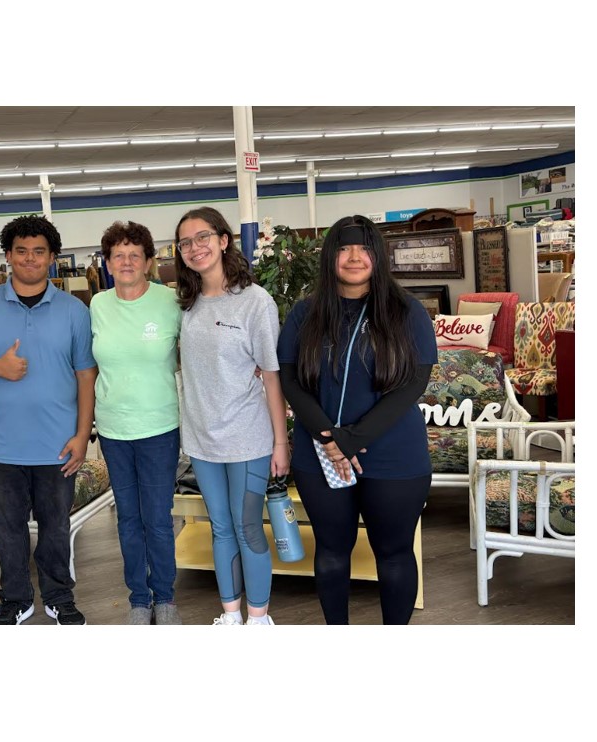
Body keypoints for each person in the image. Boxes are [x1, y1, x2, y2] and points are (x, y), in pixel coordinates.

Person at [276, 215, 437, 625]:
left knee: (395, 552)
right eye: (345, 248)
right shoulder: (305, 313)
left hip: (394, 456)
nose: (354, 257)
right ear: (331, 256)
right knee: (331, 550)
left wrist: (352, 439)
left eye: (364, 248)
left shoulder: (407, 311)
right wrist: (331, 440)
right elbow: (291, 380)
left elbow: (414, 383)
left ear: (378, 256)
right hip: (320, 455)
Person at [0, 214, 97, 625]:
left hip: (57, 443)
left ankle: (58, 596)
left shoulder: (74, 310)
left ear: (52, 258)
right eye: (21, 251)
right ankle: (16, 598)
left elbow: (86, 375)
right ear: (7, 257)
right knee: (8, 530)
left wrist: (82, 435)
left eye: (39, 252)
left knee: (55, 527)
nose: (29, 259)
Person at [174, 206, 290, 626]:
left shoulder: (255, 302)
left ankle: (258, 619)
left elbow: (273, 378)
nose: (194, 248)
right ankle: (231, 617)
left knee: (247, 529)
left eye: (202, 237)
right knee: (220, 528)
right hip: (202, 440)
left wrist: (280, 443)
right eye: (185, 242)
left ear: (224, 240)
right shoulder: (185, 304)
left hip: (248, 438)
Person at [89, 220, 183, 625]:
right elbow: (87, 367)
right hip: (112, 430)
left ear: (148, 262)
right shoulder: (97, 306)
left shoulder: (171, 302)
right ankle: (138, 599)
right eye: (118, 255)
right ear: (107, 263)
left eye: (135, 254)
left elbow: (196, 351)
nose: (126, 261)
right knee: (128, 519)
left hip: (159, 427)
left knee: (158, 518)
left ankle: (165, 597)